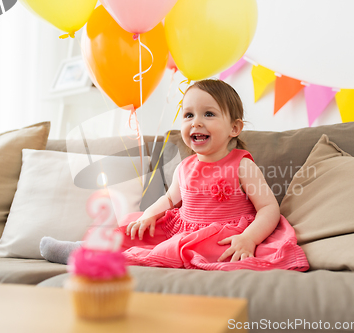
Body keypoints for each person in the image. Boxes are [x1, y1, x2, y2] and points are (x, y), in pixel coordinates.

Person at [41, 79, 309, 271]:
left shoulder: (241, 165)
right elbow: (170, 200)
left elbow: (268, 208)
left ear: (234, 128)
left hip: (222, 234)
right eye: (188, 114)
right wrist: (150, 214)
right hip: (181, 227)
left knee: (188, 248)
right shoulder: (185, 166)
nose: (196, 122)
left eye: (209, 114)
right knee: (132, 231)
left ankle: (104, 258)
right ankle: (83, 249)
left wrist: (249, 238)